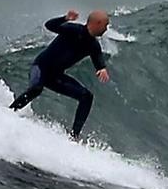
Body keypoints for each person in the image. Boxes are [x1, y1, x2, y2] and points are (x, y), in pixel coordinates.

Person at [10, 9, 112, 137]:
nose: (106, 29)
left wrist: (101, 68)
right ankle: (9, 113)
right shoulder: (74, 30)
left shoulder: (93, 45)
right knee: (36, 89)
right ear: (97, 23)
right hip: (40, 68)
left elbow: (98, 59)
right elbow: (49, 25)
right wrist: (64, 18)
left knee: (86, 97)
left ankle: (74, 136)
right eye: (105, 25)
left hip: (55, 76)